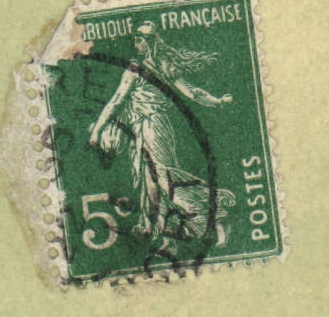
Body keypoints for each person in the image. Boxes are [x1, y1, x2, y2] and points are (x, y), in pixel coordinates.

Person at [88, 21, 234, 246]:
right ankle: (155, 228)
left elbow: (116, 101)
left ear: (150, 43)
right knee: (152, 183)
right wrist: (218, 102)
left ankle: (213, 213)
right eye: (136, 40)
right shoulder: (164, 66)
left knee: (164, 181)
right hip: (152, 128)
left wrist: (97, 130)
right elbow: (193, 93)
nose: (136, 44)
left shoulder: (137, 70)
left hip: (151, 128)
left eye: (140, 40)